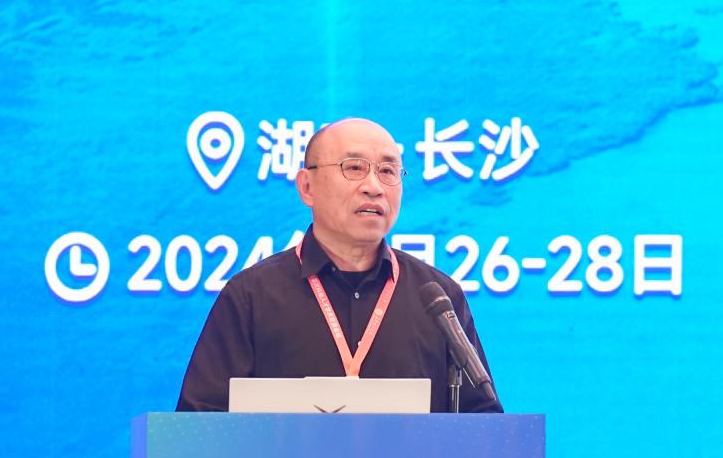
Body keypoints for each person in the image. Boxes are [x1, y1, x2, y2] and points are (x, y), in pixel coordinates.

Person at [176, 118, 502, 413]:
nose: (374, 187)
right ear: (307, 187)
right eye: (354, 167)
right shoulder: (250, 296)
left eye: (388, 171)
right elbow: (198, 424)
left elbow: (484, 426)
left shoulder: (438, 298)